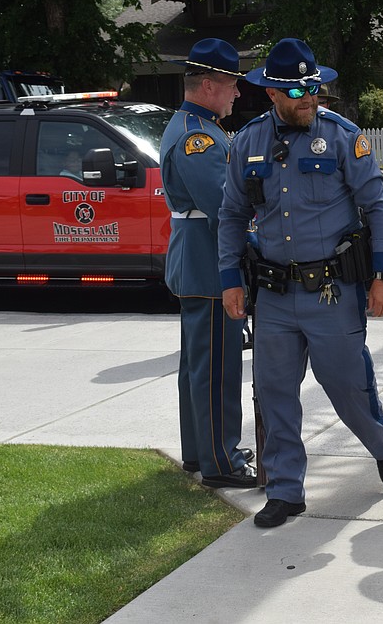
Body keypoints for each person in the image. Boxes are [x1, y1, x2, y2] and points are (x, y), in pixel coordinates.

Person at [218, 38, 383, 529]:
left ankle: (381, 445)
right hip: (274, 295)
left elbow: (378, 207)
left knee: (346, 386)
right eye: (297, 91)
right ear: (272, 93)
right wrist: (230, 279)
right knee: (274, 391)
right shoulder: (248, 142)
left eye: (314, 88)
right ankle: (285, 490)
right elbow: (232, 214)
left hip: (332, 292)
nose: (309, 98)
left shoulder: (343, 137)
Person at [160, 38, 256, 488]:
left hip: (197, 260)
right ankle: (222, 462)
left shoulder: (196, 127)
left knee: (199, 366)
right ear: (210, 85)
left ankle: (201, 451)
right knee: (217, 368)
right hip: (209, 262)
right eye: (232, 84)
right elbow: (225, 209)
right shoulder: (197, 137)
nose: (237, 92)